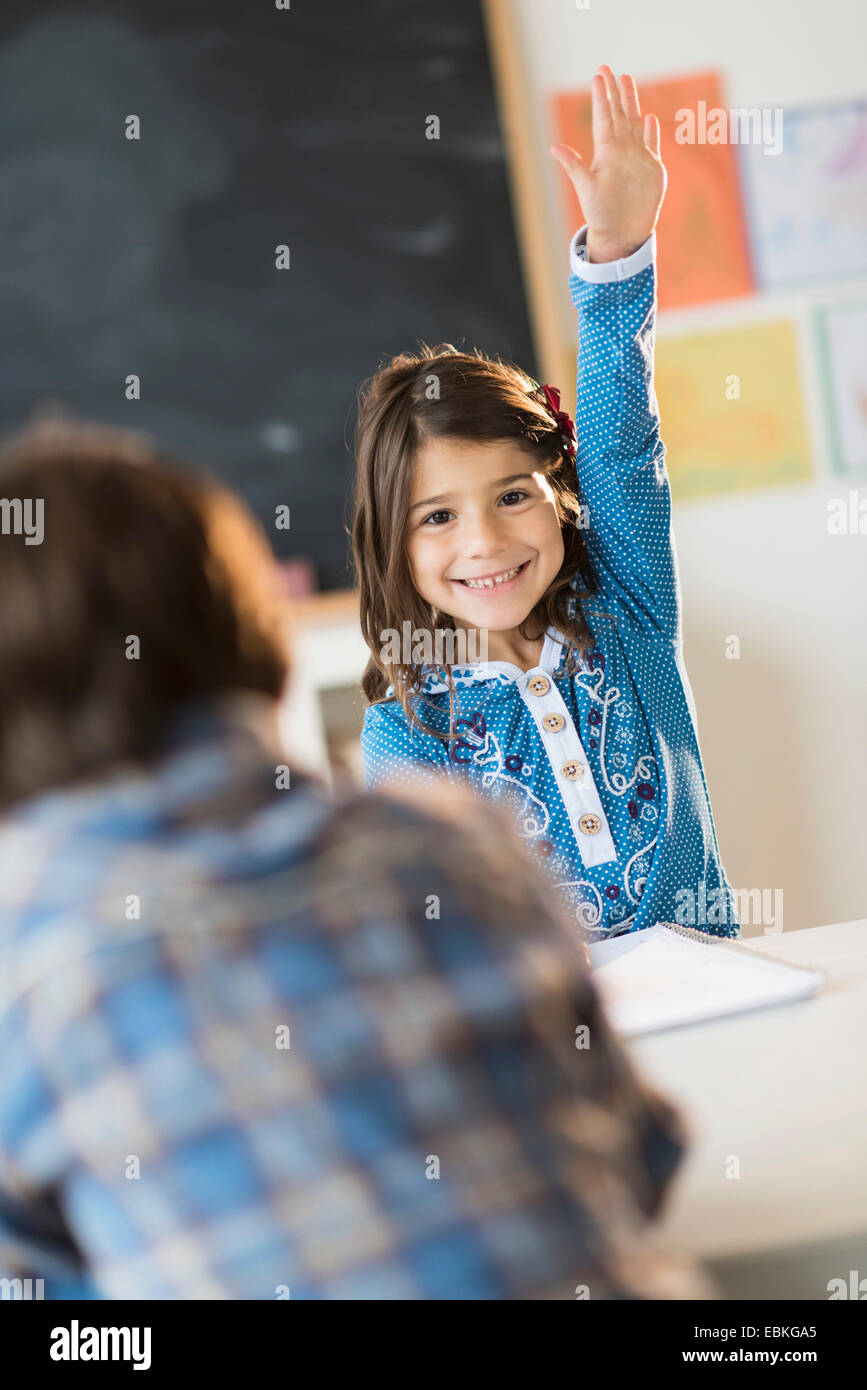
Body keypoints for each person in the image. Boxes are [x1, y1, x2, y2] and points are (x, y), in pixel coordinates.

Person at [0, 417, 712, 1299]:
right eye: (436, 517)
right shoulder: (451, 843)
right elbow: (636, 1164)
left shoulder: (25, 955)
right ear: (253, 621)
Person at [352, 67, 738, 942]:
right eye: (437, 516)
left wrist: (616, 255)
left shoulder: (628, 609)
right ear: (394, 545)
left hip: (725, 1002)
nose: (484, 540)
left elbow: (620, 449)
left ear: (560, 494)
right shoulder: (407, 732)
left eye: (513, 495)